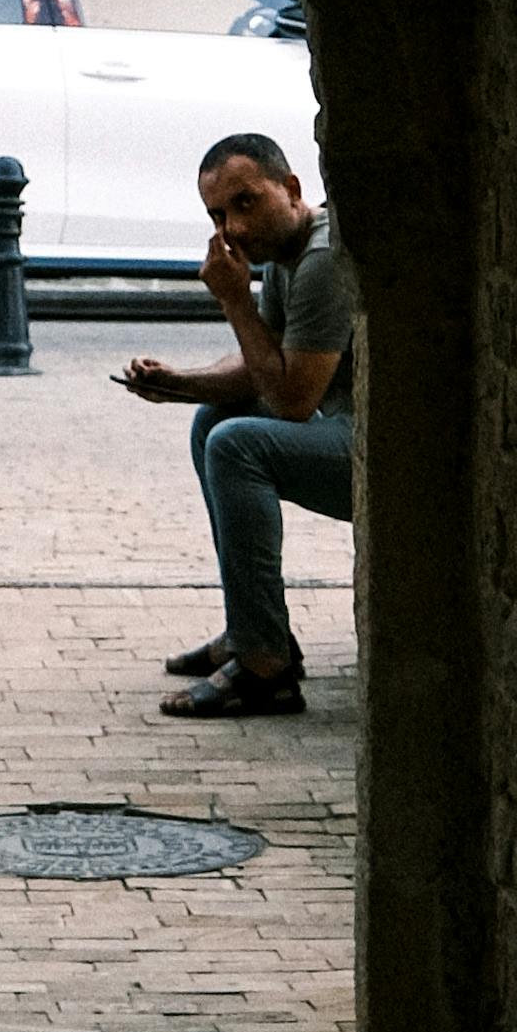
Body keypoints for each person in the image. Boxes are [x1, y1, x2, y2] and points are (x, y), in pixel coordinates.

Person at [122, 129, 354, 717]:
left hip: (382, 449)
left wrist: (235, 303)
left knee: (235, 445)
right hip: (341, 427)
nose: (234, 229)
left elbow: (293, 400)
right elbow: (262, 366)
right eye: (219, 214)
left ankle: (266, 666)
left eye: (246, 203)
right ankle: (248, 626)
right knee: (214, 420)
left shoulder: (323, 261)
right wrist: (176, 383)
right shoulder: (286, 254)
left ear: (292, 188)